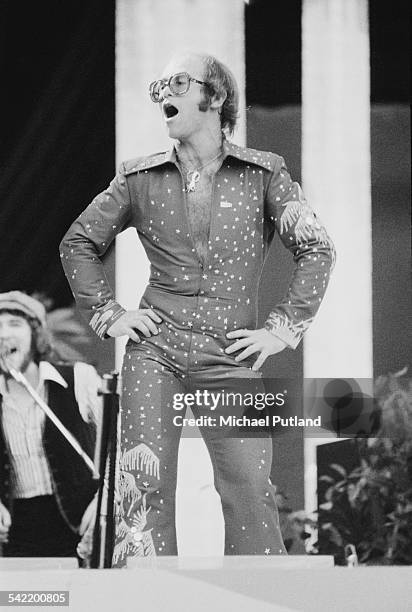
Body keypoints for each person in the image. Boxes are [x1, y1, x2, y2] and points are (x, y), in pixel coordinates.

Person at [60, 52, 335, 566]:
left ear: (216, 96)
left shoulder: (264, 173)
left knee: (250, 488)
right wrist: (109, 312)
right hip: (154, 352)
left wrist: (282, 327)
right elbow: (77, 242)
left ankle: (260, 598)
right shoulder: (137, 178)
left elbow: (317, 248)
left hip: (230, 354)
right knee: (143, 488)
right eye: (159, 84)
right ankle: (151, 599)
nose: (165, 91)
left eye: (179, 82)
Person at [0, 291, 100, 558]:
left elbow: (121, 447)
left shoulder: (79, 378)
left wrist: (103, 502)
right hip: (14, 542)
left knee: (74, 600)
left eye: (14, 324)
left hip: (81, 533)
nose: (3, 334)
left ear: (37, 334)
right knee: (28, 601)